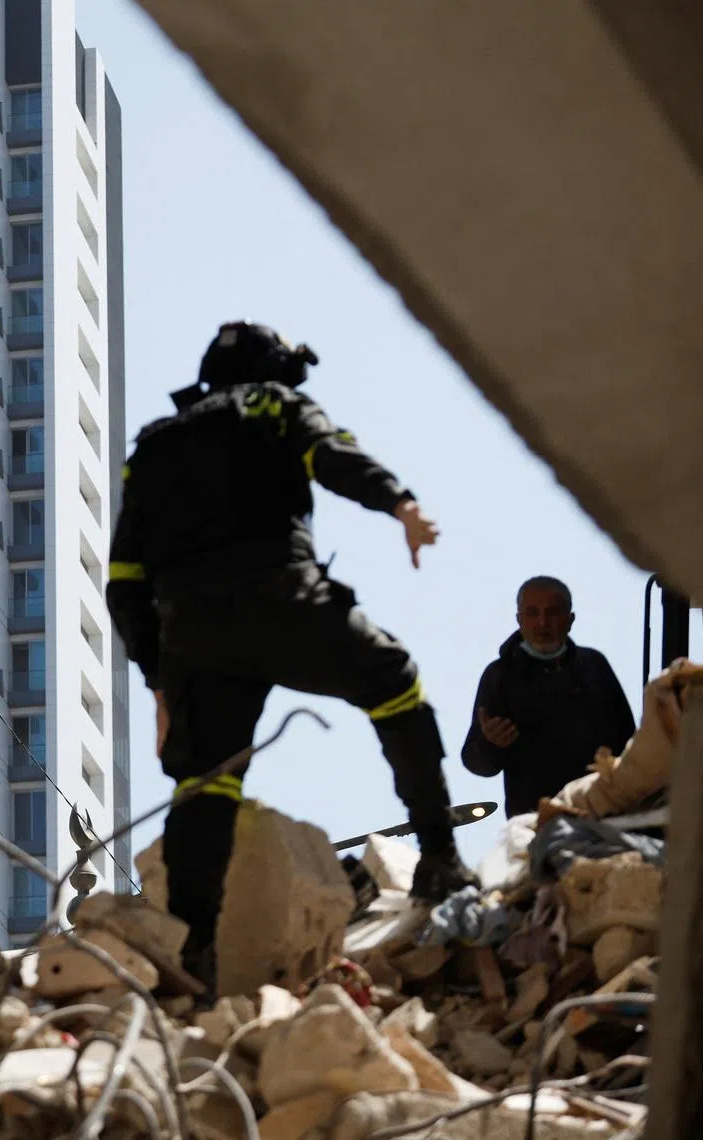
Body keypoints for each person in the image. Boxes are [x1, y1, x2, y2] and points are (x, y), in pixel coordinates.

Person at [105, 320, 478, 988]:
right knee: (392, 680)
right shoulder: (271, 403)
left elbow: (124, 580)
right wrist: (401, 505)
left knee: (206, 783)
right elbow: (332, 455)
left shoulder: (154, 447)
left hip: (193, 636)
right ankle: (442, 856)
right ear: (271, 371)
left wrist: (160, 679)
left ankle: (191, 958)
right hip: (283, 601)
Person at [461, 576, 636, 817]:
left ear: (570, 619)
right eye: (532, 613)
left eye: (552, 612)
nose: (542, 622)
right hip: (536, 825)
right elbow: (476, 763)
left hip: (602, 817)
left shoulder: (593, 666)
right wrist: (491, 744)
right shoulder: (500, 676)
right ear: (519, 619)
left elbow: (628, 746)